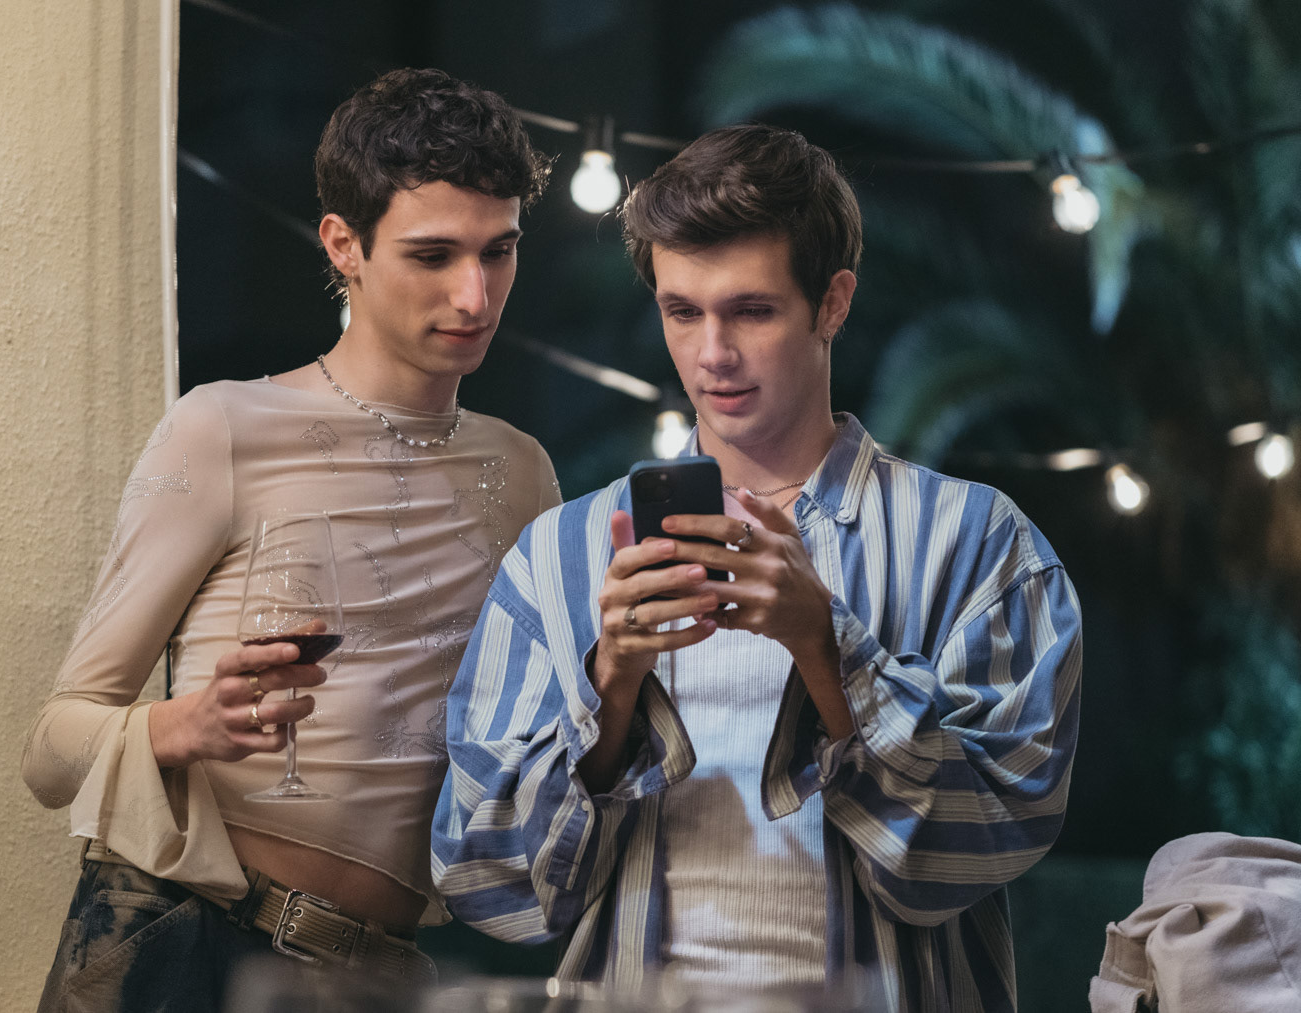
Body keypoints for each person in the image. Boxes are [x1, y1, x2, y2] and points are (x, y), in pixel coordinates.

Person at [431, 124, 1083, 1010]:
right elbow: (484, 878)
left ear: (833, 302)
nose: (713, 354)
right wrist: (610, 684)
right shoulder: (558, 555)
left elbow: (978, 845)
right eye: (682, 311)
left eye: (752, 311)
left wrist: (826, 645)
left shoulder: (978, 544)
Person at [23, 68, 557, 1011]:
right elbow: (51, 749)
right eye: (433, 255)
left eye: (499, 251)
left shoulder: (522, 472)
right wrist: (181, 726)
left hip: (379, 975)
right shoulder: (223, 426)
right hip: (186, 939)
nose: (475, 294)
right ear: (344, 244)